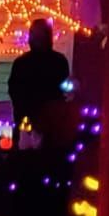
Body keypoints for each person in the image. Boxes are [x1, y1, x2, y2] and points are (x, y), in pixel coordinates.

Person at [8, 17, 72, 146]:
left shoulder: (57, 62)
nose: (35, 38)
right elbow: (15, 92)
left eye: (38, 35)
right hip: (31, 125)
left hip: (49, 126)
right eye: (34, 34)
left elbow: (14, 92)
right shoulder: (22, 63)